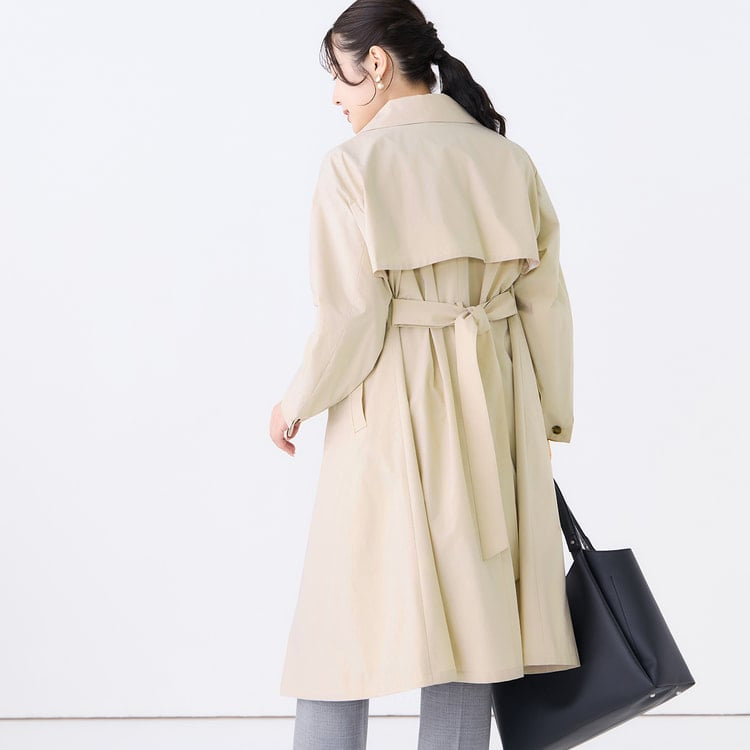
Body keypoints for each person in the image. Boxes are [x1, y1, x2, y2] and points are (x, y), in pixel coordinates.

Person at [269, 1, 581, 747]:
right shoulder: (506, 159)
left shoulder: (353, 165)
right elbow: (546, 304)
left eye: (339, 73)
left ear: (376, 65)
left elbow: (351, 314)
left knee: (340, 624)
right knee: (474, 623)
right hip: (496, 406)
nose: (335, 95)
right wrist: (546, 417)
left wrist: (296, 399)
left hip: (391, 405)